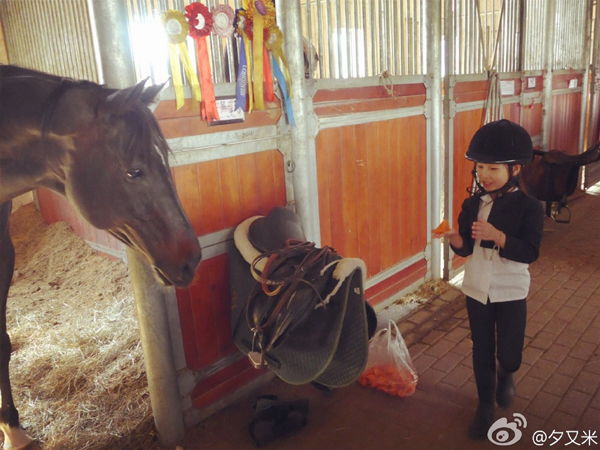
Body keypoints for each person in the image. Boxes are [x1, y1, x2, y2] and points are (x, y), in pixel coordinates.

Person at [433, 119, 544, 439]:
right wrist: (454, 237)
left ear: (516, 169)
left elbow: (530, 252)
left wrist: (498, 236)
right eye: (480, 167)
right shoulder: (472, 204)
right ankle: (485, 406)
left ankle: (506, 373)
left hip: (511, 290)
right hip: (477, 288)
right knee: (481, 347)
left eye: (493, 168)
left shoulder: (530, 208)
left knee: (510, 354)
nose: (484, 174)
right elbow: (467, 248)